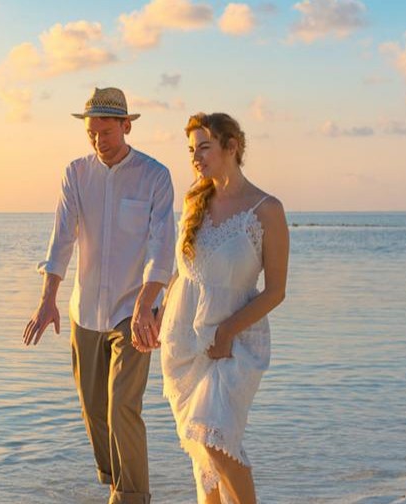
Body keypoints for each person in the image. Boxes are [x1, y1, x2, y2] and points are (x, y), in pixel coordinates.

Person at [21, 87, 176, 504]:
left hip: (134, 310)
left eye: (106, 132)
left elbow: (162, 246)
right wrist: (48, 298)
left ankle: (132, 496)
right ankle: (115, 482)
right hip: (85, 311)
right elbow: (62, 239)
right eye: (91, 133)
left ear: (126, 126)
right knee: (93, 410)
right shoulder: (76, 173)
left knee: (122, 405)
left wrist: (147, 304)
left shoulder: (155, 176)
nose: (98, 141)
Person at [158, 112, 289, 504]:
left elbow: (276, 291)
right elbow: (183, 273)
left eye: (204, 147)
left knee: (215, 437)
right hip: (184, 340)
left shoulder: (266, 209)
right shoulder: (194, 202)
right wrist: (156, 314)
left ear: (232, 147)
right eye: (191, 150)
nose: (195, 157)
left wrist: (228, 331)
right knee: (203, 457)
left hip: (236, 342)